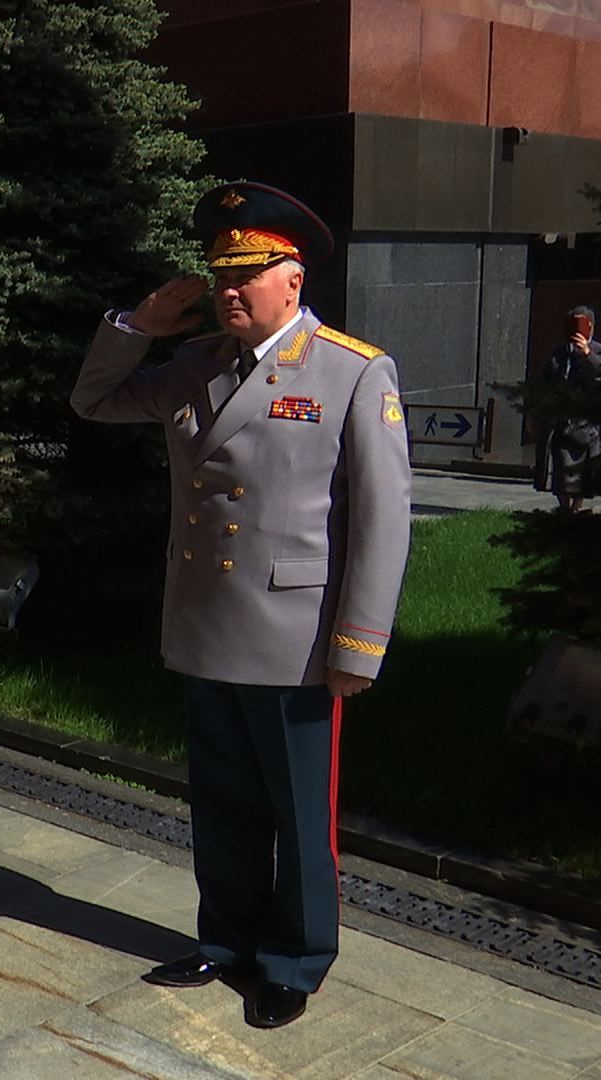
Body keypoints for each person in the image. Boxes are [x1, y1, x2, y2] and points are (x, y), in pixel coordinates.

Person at [70, 181, 412, 1029]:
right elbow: (95, 402)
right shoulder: (194, 366)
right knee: (221, 803)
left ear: (291, 279)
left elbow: (381, 517)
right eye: (220, 272)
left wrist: (359, 645)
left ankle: (295, 959)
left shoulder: (353, 371)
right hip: (207, 627)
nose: (228, 289)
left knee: (299, 817)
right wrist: (136, 329)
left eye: (248, 273)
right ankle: (225, 941)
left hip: (297, 640)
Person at [534, 305, 601, 512]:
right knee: (560, 469)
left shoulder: (600, 351)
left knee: (583, 473)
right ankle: (565, 508)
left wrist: (587, 353)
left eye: (581, 324)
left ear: (590, 327)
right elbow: (545, 381)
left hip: (586, 422)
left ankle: (577, 508)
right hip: (561, 419)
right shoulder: (560, 352)